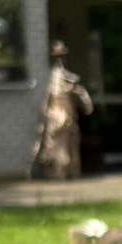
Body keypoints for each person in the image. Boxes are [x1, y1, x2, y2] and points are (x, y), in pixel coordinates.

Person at [32, 41, 93, 179]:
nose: (59, 58)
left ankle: (69, 173)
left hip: (67, 118)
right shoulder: (51, 76)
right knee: (57, 149)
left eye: (62, 55)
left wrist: (82, 98)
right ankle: (56, 175)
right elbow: (50, 95)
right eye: (57, 55)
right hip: (56, 117)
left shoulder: (65, 76)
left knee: (70, 146)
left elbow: (77, 87)